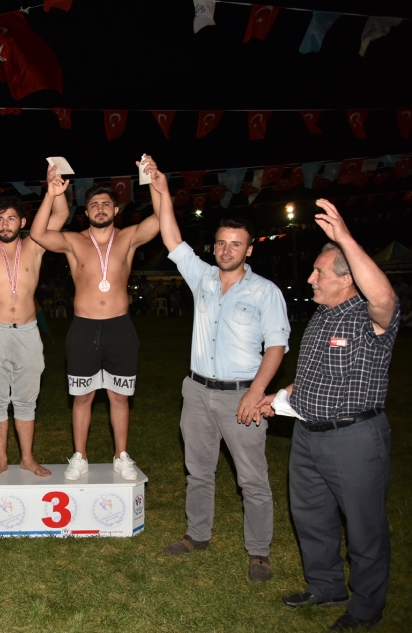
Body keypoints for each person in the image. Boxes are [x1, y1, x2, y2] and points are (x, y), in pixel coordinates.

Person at [258, 200, 400, 630]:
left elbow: (385, 297)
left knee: (364, 528)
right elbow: (312, 377)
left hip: (353, 439)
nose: (310, 279)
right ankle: (325, 587)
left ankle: (366, 608)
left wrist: (344, 238)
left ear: (347, 278)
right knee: (311, 518)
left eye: (319, 272)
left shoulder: (370, 320)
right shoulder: (322, 316)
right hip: (307, 435)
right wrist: (279, 396)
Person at [147, 156, 289, 583]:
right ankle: (197, 535)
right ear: (215, 247)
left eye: (236, 244)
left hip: (242, 395)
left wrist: (255, 393)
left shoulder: (265, 292)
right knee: (198, 471)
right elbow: (172, 238)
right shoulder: (203, 278)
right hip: (196, 392)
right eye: (222, 243)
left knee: (252, 479)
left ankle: (259, 552)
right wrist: (160, 189)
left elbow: (277, 346)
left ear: (250, 249)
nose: (227, 250)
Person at [29, 159, 160, 482]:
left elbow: (160, 220)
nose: (100, 208)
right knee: (82, 397)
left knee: (119, 397)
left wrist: (155, 181)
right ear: (85, 213)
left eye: (105, 204)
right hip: (84, 328)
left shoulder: (128, 237)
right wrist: (51, 194)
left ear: (115, 210)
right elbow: (38, 234)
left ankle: (121, 456)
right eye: (93, 205)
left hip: (120, 327)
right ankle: (80, 456)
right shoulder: (74, 241)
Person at [0, 147, 69, 479]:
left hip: (27, 333)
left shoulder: (35, 245)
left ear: (23, 222)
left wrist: (54, 188)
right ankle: (2, 459)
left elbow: (60, 215)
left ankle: (27, 458)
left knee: (26, 400)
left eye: (10, 218)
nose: (4, 224)